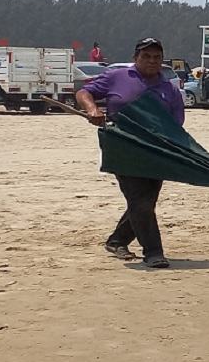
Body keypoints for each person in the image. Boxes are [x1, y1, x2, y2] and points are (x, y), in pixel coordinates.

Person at [76, 37, 183, 269]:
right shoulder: (116, 77)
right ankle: (153, 252)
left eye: (157, 57)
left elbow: (176, 126)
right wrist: (93, 109)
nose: (151, 61)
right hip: (122, 149)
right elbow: (84, 92)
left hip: (155, 152)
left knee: (145, 201)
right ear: (135, 58)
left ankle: (117, 240)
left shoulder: (170, 90)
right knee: (139, 200)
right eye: (146, 56)